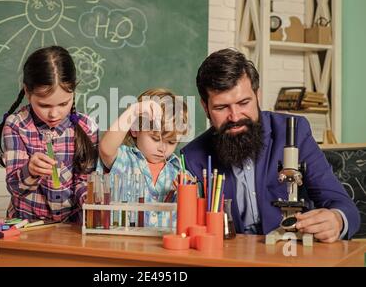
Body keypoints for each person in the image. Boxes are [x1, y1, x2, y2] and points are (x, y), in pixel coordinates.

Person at [181, 48, 360, 242]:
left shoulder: (294, 131)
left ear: (257, 96)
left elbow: (344, 206)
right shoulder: (193, 157)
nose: (235, 116)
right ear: (205, 108)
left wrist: (336, 220)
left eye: (243, 103)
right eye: (221, 107)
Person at [0, 46, 98, 223]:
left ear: (73, 90)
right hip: (27, 225)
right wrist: (30, 171)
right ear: (27, 92)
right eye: (44, 105)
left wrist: (89, 198)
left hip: (71, 227)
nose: (54, 114)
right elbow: (15, 188)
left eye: (63, 104)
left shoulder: (87, 127)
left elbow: (84, 180)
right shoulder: (17, 125)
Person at [98, 88, 189, 227]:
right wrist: (134, 111)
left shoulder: (178, 172)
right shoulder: (125, 159)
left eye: (171, 142)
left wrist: (187, 192)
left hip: (163, 246)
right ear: (135, 129)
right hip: (123, 245)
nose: (162, 148)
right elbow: (106, 149)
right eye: (155, 138)